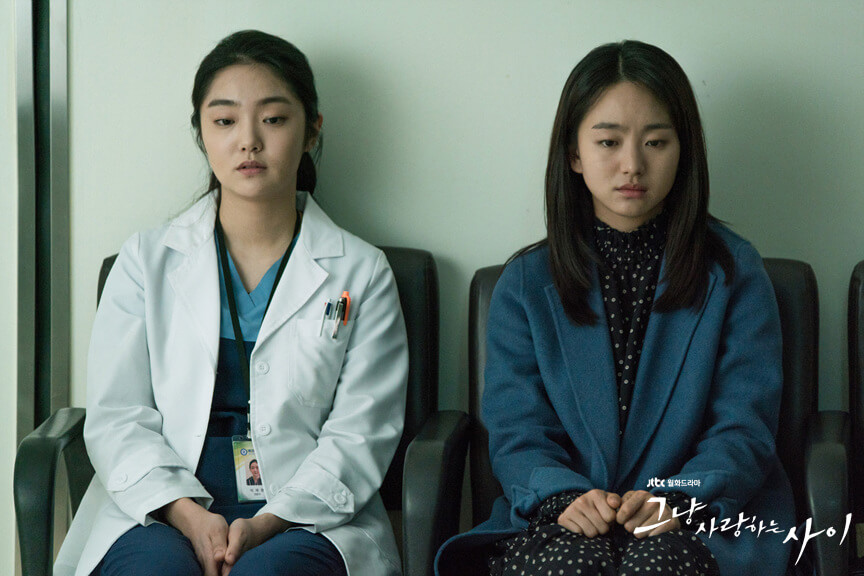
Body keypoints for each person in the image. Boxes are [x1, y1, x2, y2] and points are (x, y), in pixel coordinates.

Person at [54, 30, 408, 576]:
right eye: (224, 121)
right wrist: (188, 514)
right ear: (201, 131)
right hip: (162, 503)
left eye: (274, 119)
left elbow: (361, 433)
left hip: (304, 512)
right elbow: (118, 416)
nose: (249, 141)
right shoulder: (146, 261)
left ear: (312, 130)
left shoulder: (361, 272)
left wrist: (268, 523)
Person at [436, 40, 794, 576]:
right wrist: (563, 496)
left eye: (656, 142)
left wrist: (677, 498)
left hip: (703, 517)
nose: (632, 165)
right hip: (560, 517)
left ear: (684, 150)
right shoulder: (526, 283)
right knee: (570, 565)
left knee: (658, 565)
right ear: (574, 154)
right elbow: (517, 431)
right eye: (608, 141)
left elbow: (743, 427)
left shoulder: (734, 272)